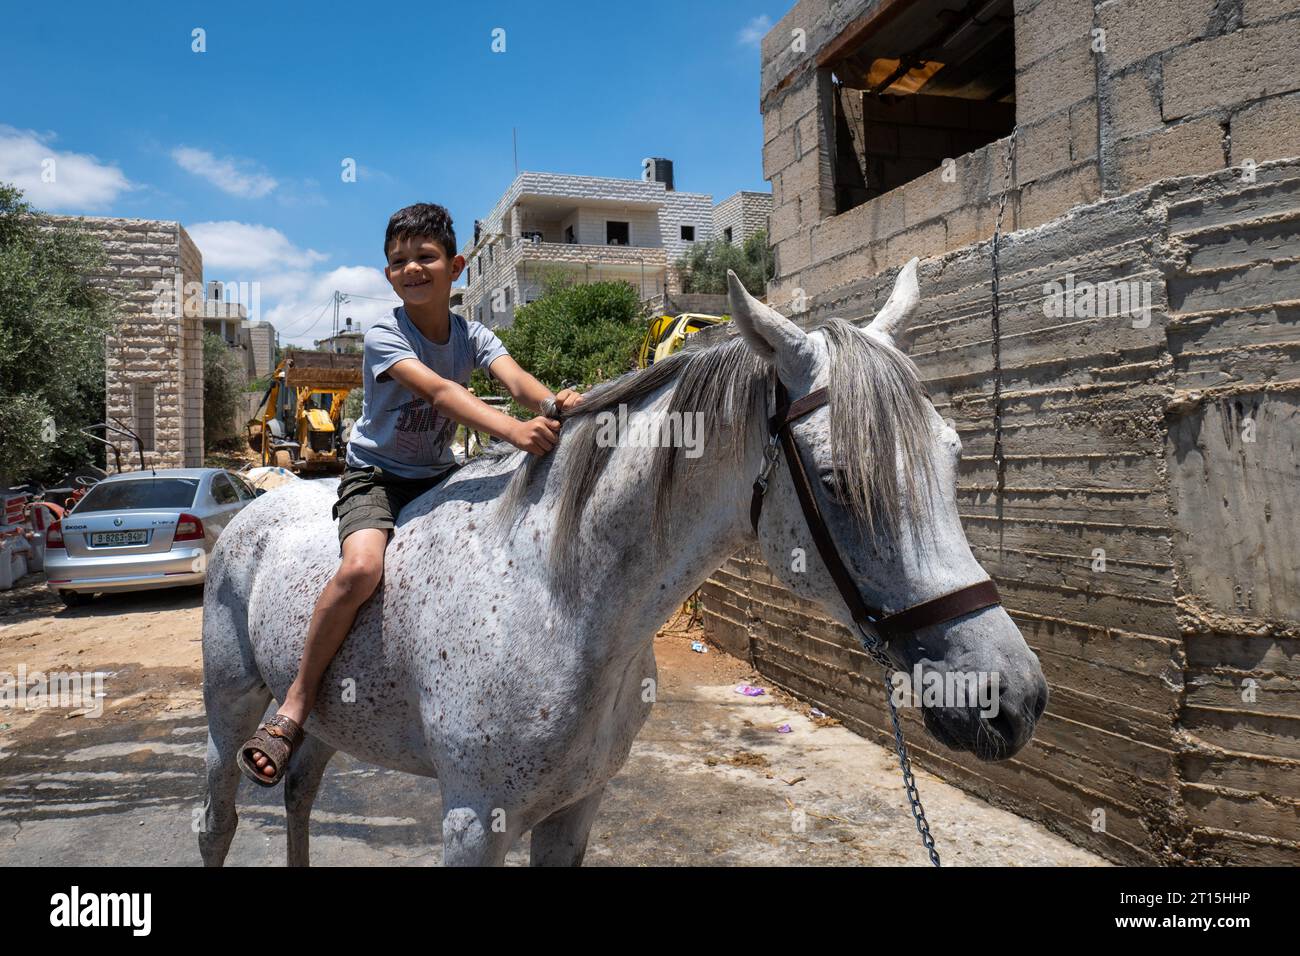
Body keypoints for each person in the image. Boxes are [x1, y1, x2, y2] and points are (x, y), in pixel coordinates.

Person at [237, 202, 581, 786]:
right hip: (379, 477)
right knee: (362, 571)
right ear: (388, 274)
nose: (412, 269)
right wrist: (518, 432)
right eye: (399, 262)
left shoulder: (474, 333)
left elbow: (516, 380)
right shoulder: (383, 335)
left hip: (439, 473)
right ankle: (294, 705)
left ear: (458, 266)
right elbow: (443, 393)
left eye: (426, 257)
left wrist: (552, 405)